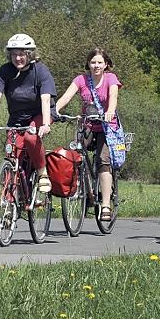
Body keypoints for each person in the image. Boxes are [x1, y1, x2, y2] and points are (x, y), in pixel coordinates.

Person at [0, 33, 56, 194]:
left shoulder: (40, 70)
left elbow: (46, 99)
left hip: (40, 114)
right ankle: (8, 201)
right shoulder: (5, 71)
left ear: (30, 54)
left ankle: (42, 174)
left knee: (30, 137)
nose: (17, 58)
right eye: (14, 54)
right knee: (12, 154)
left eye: (21, 54)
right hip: (17, 118)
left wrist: (46, 124)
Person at [55, 48, 122, 220]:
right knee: (74, 155)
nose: (96, 65)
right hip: (88, 125)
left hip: (107, 126)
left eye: (100, 62)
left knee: (103, 161)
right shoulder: (81, 80)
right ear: (88, 64)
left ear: (106, 64)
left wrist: (110, 111)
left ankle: (106, 204)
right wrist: (54, 111)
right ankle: (84, 191)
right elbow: (66, 97)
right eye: (93, 62)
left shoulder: (110, 78)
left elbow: (113, 97)